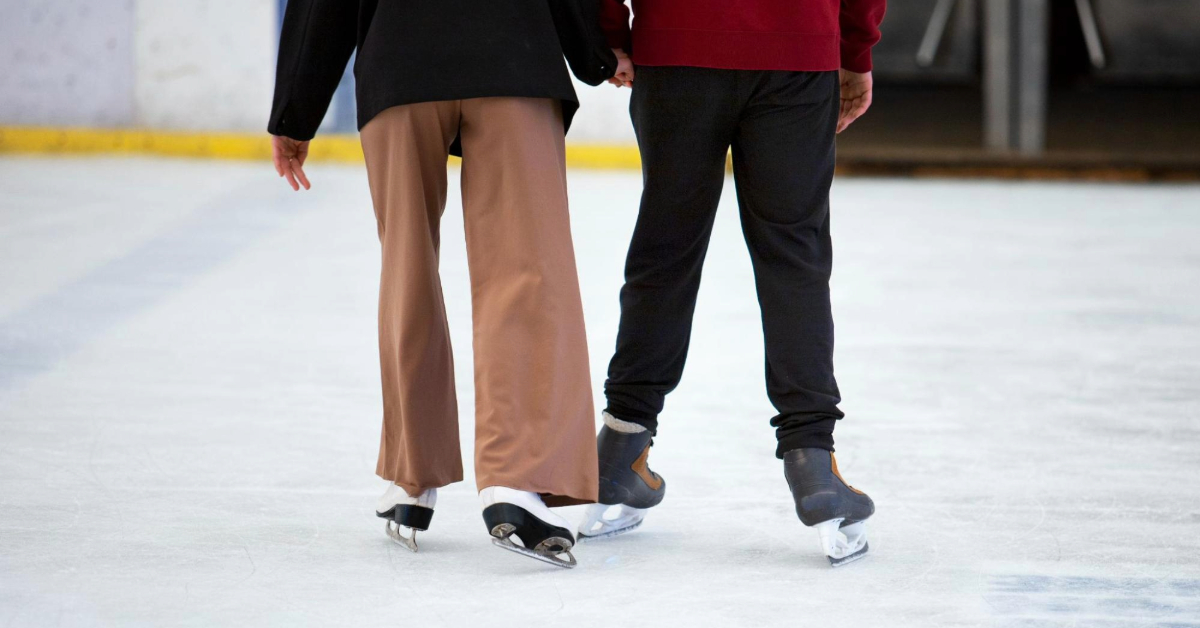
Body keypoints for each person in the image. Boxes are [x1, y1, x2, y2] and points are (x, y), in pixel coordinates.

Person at [268, 0, 629, 569]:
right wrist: (597, 51)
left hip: (401, 61)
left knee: (406, 267)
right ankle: (517, 478)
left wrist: (295, 110)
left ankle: (412, 480)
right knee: (527, 270)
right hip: (514, 54)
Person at [577, 0, 886, 567]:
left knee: (664, 249)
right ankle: (813, 464)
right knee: (794, 256)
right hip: (797, 49)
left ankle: (620, 449)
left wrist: (610, 35)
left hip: (676, 47)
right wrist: (854, 47)